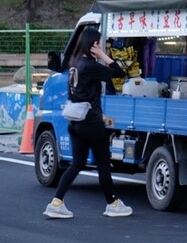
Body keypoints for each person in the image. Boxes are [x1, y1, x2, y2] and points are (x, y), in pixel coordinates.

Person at [43, 27, 133, 219]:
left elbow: (77, 94)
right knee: (103, 164)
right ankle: (113, 204)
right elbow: (119, 73)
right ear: (92, 45)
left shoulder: (75, 63)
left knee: (77, 163)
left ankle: (56, 203)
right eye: (98, 43)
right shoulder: (90, 66)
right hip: (90, 122)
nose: (100, 46)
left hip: (76, 121)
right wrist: (104, 55)